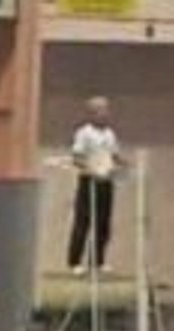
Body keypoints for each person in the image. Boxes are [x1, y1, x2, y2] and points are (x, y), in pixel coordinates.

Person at [67, 96, 123, 275]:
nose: (104, 114)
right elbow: (77, 157)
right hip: (89, 179)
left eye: (106, 110)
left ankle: (97, 261)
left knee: (103, 223)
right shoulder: (84, 133)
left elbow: (114, 155)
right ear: (91, 113)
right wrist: (90, 168)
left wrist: (121, 165)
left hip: (105, 180)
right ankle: (74, 262)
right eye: (100, 110)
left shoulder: (110, 134)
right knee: (83, 222)